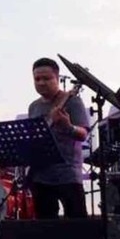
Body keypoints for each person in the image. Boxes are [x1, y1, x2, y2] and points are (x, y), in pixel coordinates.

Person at [28, 57, 90, 219]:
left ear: (57, 78)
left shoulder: (73, 101)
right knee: (45, 227)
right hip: (40, 176)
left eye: (46, 78)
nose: (41, 82)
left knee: (77, 225)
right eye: (37, 79)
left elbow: (83, 134)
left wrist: (67, 127)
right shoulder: (33, 107)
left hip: (68, 174)